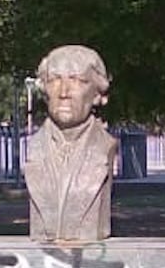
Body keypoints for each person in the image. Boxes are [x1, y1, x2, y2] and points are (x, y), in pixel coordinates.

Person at [23, 45, 119, 241]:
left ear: (98, 94)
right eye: (54, 80)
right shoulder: (35, 147)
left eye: (78, 80)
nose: (64, 92)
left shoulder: (104, 147)